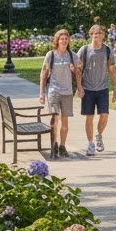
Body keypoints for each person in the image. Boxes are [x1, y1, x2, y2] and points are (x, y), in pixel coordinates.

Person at [75, 24, 116, 155]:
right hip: (87, 88)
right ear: (91, 34)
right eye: (95, 33)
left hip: (103, 88)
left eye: (100, 33)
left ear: (103, 35)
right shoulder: (84, 50)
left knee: (104, 115)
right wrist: (79, 87)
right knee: (89, 116)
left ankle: (98, 135)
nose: (97, 35)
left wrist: (115, 89)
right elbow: (78, 70)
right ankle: (90, 144)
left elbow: (111, 70)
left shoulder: (107, 50)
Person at [39, 29, 76, 158]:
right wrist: (42, 93)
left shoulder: (72, 55)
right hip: (54, 91)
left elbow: (78, 73)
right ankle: (54, 145)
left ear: (68, 40)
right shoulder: (51, 55)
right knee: (55, 119)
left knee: (65, 123)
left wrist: (75, 69)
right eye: (61, 39)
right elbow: (43, 74)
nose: (64, 41)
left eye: (66, 38)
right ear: (57, 40)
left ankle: (62, 146)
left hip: (67, 92)